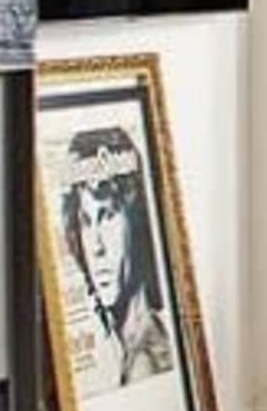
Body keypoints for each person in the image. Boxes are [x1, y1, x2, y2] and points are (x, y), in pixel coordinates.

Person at [61, 126, 180, 384]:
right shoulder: (128, 348)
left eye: (107, 216)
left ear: (136, 222)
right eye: (86, 222)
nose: (96, 247)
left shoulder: (143, 364)